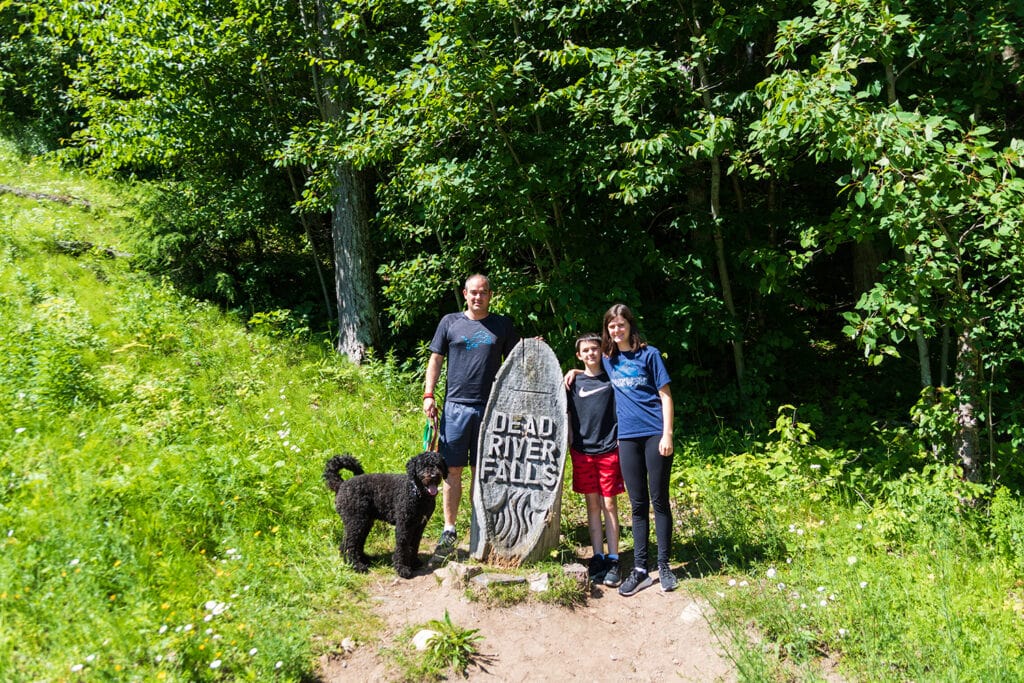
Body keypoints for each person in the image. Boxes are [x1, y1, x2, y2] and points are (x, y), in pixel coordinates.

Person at [566, 304, 676, 596]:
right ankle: (640, 569)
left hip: (654, 434)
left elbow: (665, 396)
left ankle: (664, 566)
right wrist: (574, 371)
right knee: (637, 505)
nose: (616, 330)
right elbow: (590, 366)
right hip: (626, 439)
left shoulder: (649, 355)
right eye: (611, 326)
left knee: (659, 501)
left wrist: (668, 434)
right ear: (608, 330)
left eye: (621, 325)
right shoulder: (609, 358)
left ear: (629, 325)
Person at [423, 274, 519, 553]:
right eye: (473, 292)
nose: (478, 297)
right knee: (452, 471)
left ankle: (482, 528)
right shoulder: (450, 322)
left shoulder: (502, 325)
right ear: (465, 294)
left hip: (490, 409)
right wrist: (429, 394)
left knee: (483, 472)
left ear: (490, 295)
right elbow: (436, 359)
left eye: (483, 292)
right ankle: (449, 529)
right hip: (455, 408)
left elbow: (517, 359)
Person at [566, 332, 625, 587]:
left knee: (609, 504)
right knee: (592, 506)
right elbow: (566, 416)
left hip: (609, 449)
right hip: (582, 452)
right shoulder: (572, 383)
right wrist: (574, 371)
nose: (591, 354)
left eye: (595, 349)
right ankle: (597, 556)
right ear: (579, 355)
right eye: (586, 351)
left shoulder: (612, 379)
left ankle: (614, 558)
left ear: (602, 351)